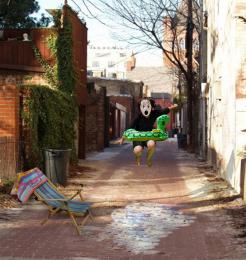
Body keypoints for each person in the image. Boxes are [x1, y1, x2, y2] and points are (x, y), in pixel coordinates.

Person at [119, 97, 177, 167]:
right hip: (138, 137)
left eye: (148, 106)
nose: (146, 108)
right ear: (140, 107)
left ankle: (148, 159)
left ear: (151, 107)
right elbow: (130, 128)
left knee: (151, 144)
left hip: (150, 135)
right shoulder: (138, 117)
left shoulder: (154, 113)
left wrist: (172, 107)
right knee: (138, 150)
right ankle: (138, 157)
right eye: (143, 106)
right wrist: (122, 138)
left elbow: (163, 111)